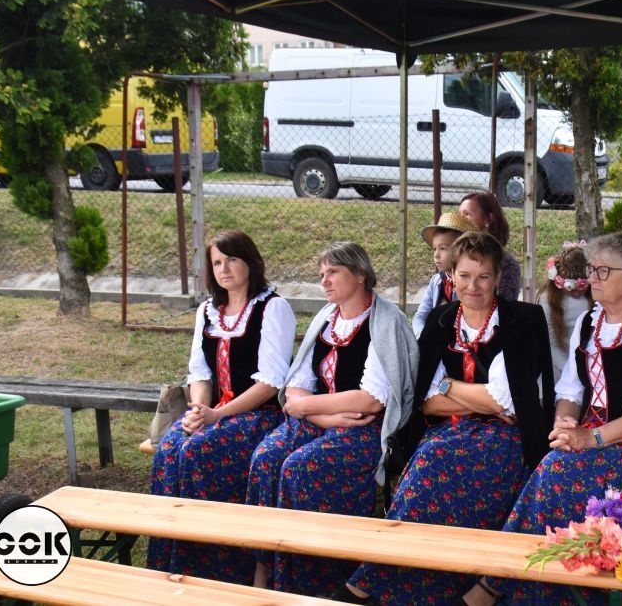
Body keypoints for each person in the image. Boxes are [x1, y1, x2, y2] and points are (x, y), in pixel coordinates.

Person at [461, 231, 622, 606]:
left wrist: (592, 438)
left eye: (603, 271)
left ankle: (502, 582)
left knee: (556, 472)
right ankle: (527, 584)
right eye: (593, 269)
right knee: (553, 466)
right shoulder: (591, 320)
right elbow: (570, 390)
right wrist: (564, 424)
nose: (593, 278)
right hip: (595, 439)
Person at [334, 231, 555, 605]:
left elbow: (506, 401)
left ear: (498, 278)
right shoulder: (441, 321)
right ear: (451, 276)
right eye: (464, 276)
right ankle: (392, 578)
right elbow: (427, 403)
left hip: (506, 438)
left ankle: (372, 583)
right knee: (426, 469)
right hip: (447, 433)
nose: (473, 286)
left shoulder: (521, 320)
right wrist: (477, 399)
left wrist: (448, 386)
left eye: (483, 276)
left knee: (439, 470)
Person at [246, 242, 418, 594]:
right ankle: (265, 571)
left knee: (300, 469)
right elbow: (296, 386)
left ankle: (315, 585)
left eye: (333, 272)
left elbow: (370, 400)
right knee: (266, 459)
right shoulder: (326, 318)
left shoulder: (386, 322)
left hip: (365, 430)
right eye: (321, 274)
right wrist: (323, 416)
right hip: (321, 421)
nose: (324, 281)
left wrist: (307, 407)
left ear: (360, 274)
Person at [147, 230, 296, 583]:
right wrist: (198, 410)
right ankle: (169, 565)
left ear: (251, 263)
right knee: (169, 449)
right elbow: (200, 372)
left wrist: (217, 415)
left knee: (197, 451)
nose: (224, 269)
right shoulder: (208, 311)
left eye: (232, 259)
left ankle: (216, 571)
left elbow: (271, 383)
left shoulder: (272, 308)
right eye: (216, 263)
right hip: (214, 412)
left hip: (259, 415)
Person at [412, 211, 479, 336]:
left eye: (443, 248)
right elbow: (420, 315)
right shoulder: (436, 281)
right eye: (434, 248)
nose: (436, 255)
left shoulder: (471, 286)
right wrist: (423, 336)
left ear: (461, 250)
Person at [536, 241, 592, 380]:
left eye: (582, 286)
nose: (576, 292)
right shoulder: (548, 300)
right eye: (570, 287)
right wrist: (570, 372)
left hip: (589, 364)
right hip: (559, 366)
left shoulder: (595, 298)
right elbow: (550, 343)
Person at [459, 192, 521, 300]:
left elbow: (506, 305)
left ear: (488, 219)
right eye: (459, 215)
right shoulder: (456, 255)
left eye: (467, 214)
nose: (460, 220)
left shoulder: (507, 264)